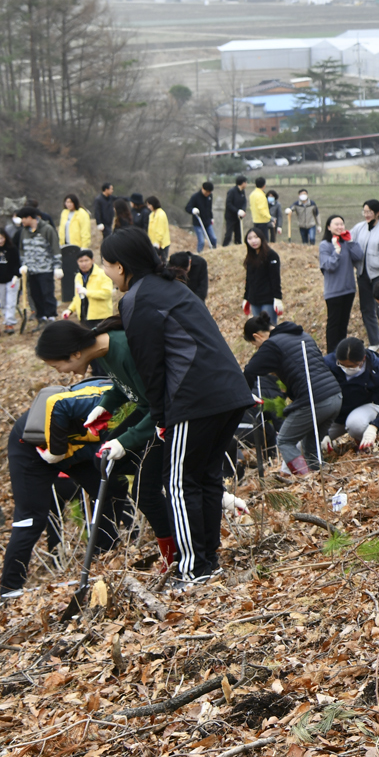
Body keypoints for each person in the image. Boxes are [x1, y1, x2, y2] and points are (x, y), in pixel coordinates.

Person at [100, 226, 255, 590]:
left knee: (180, 484)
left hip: (194, 399)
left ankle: (193, 571)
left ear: (121, 266)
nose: (106, 274)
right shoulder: (170, 286)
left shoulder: (136, 299)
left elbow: (150, 366)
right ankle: (208, 563)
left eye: (106, 266)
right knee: (205, 480)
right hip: (229, 392)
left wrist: (160, 418)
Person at [34, 318, 171, 569]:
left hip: (168, 415)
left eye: (57, 366)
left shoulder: (124, 349)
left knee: (143, 491)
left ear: (75, 353)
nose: (60, 373)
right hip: (150, 410)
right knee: (104, 460)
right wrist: (105, 405)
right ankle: (169, 480)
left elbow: (159, 405)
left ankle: (173, 554)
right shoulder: (104, 352)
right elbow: (124, 387)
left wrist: (126, 441)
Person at [0, 372, 145, 597]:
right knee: (31, 518)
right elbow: (54, 404)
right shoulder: (105, 395)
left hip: (74, 447)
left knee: (110, 488)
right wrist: (55, 451)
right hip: (34, 443)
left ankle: (104, 553)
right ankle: (9, 589)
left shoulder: (143, 408)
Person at [242, 312, 341, 476]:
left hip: (315, 400)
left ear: (257, 336)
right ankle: (322, 482)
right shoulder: (302, 335)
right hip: (335, 396)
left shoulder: (271, 344)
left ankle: (307, 480)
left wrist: (245, 397)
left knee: (285, 441)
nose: (258, 350)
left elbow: (250, 371)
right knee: (310, 444)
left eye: (255, 345)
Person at [326, 337, 379, 451]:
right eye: (342, 365)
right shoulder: (327, 365)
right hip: (334, 417)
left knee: (356, 424)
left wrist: (374, 426)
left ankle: (366, 444)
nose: (346, 369)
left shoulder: (377, 369)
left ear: (363, 359)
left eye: (350, 366)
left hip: (364, 411)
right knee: (303, 442)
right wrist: (322, 431)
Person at [352, 200, 379, 351]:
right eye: (364, 212)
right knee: (366, 308)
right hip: (362, 273)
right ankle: (375, 341)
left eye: (369, 212)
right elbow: (351, 242)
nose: (366, 215)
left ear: (377, 213)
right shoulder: (359, 228)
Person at [318, 215, 364, 351]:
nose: (339, 227)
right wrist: (336, 251)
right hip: (333, 291)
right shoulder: (325, 245)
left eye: (341, 224)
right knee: (333, 324)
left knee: (343, 323)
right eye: (336, 224)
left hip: (348, 289)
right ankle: (332, 353)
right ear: (328, 227)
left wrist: (350, 242)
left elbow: (359, 256)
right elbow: (329, 266)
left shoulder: (346, 243)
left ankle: (342, 352)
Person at [19, 204, 60, 329]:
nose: (22, 221)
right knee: (35, 295)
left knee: (47, 293)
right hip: (31, 271)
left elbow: (55, 248)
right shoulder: (24, 232)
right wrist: (24, 265)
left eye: (23, 218)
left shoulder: (47, 229)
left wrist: (58, 266)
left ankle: (51, 317)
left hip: (45, 269)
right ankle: (41, 318)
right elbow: (22, 250)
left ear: (30, 217)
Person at [63, 249, 118, 324]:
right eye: (81, 261)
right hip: (84, 317)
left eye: (86, 260)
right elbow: (77, 297)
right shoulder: (78, 277)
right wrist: (70, 309)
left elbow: (107, 293)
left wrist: (86, 292)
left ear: (92, 260)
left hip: (100, 318)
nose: (84, 264)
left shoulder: (102, 274)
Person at [242, 230, 283, 326]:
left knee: (269, 327)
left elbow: (275, 278)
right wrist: (246, 298)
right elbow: (249, 280)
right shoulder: (250, 257)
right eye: (250, 238)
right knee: (259, 328)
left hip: (268, 299)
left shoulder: (271, 255)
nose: (253, 241)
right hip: (254, 299)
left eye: (256, 237)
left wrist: (277, 298)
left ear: (261, 238)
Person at [59, 194, 94, 300]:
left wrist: (84, 246)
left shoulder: (82, 213)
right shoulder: (64, 213)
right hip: (65, 246)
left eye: (70, 202)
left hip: (77, 245)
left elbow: (85, 230)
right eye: (67, 202)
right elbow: (61, 228)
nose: (68, 204)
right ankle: (68, 295)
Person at [184, 182, 217, 252]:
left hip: (207, 222)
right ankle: (199, 254)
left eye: (209, 192)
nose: (207, 193)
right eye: (206, 191)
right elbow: (187, 208)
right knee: (201, 241)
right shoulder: (195, 197)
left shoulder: (210, 196)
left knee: (214, 239)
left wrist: (211, 217)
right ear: (202, 188)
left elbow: (209, 208)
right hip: (198, 223)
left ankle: (214, 252)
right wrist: (193, 210)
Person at [223, 176, 248, 246]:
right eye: (245, 182)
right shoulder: (232, 191)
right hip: (230, 217)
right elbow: (228, 204)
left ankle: (238, 246)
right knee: (228, 235)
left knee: (238, 235)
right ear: (242, 183)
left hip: (238, 217)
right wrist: (237, 211)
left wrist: (243, 210)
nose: (246, 184)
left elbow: (244, 202)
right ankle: (224, 247)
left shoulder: (242, 191)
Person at [144, 195, 171, 259]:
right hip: (153, 243)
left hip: (161, 245)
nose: (148, 207)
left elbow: (160, 230)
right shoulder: (152, 214)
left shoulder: (161, 214)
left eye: (149, 205)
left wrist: (158, 243)